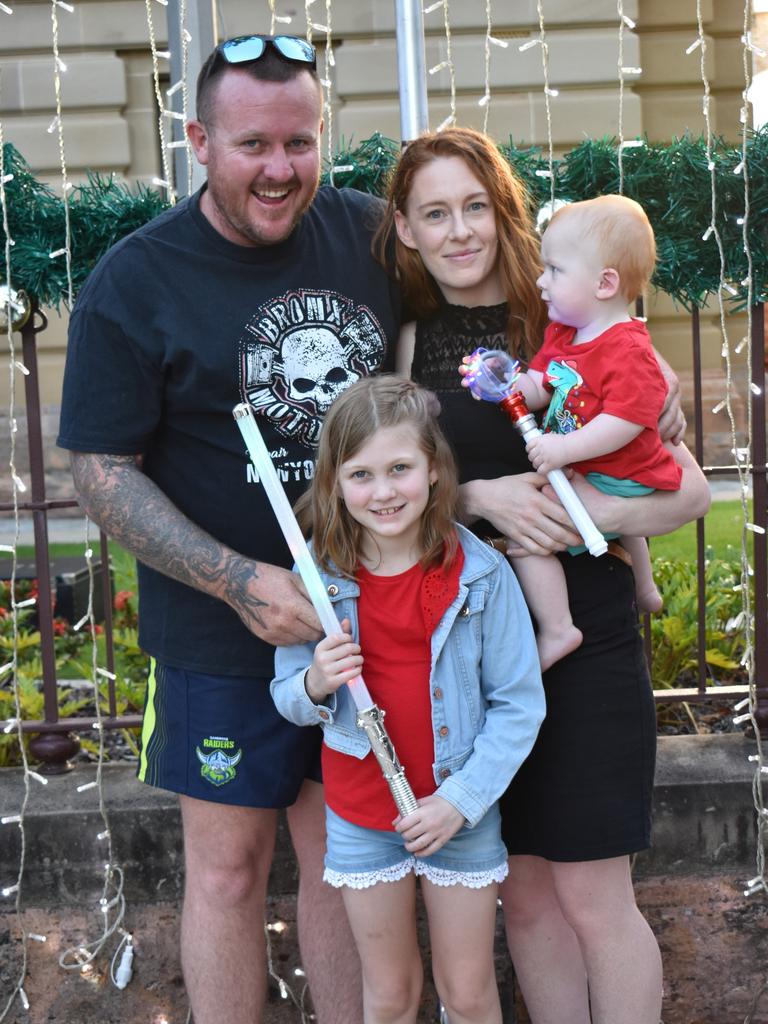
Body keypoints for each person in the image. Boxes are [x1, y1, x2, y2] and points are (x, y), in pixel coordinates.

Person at [57, 34, 401, 1024]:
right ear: (201, 140)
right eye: (254, 145)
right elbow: (102, 470)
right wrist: (236, 581)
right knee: (224, 872)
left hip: (367, 613)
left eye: (301, 142)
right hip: (218, 632)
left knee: (351, 864)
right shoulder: (136, 280)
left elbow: (479, 334)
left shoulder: (374, 237)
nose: (282, 169)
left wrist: (618, 398)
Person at [376, 126, 711, 1024]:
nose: (459, 232)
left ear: (503, 213)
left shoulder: (574, 321)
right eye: (436, 214)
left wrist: (580, 517)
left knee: (596, 896)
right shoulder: (407, 342)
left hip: (585, 638)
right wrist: (478, 497)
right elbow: (387, 494)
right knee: (521, 896)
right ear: (406, 229)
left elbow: (688, 491)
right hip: (475, 655)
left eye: (476, 208)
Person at [270, 375, 545, 1024]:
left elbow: (519, 704)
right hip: (364, 814)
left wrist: (460, 800)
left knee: (469, 995)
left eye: (400, 468)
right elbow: (286, 696)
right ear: (335, 481)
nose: (384, 490)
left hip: (458, 812)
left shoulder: (481, 574)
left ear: (433, 469)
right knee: (389, 995)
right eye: (361, 474)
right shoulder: (317, 580)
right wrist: (316, 681)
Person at [479, 194, 681, 669]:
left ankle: (558, 629)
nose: (539, 281)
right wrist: (505, 382)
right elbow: (539, 387)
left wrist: (564, 447)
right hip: (595, 467)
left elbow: (628, 420)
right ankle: (646, 588)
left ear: (604, 283)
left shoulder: (628, 348)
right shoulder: (566, 334)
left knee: (529, 541)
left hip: (621, 470)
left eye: (554, 270)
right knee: (618, 518)